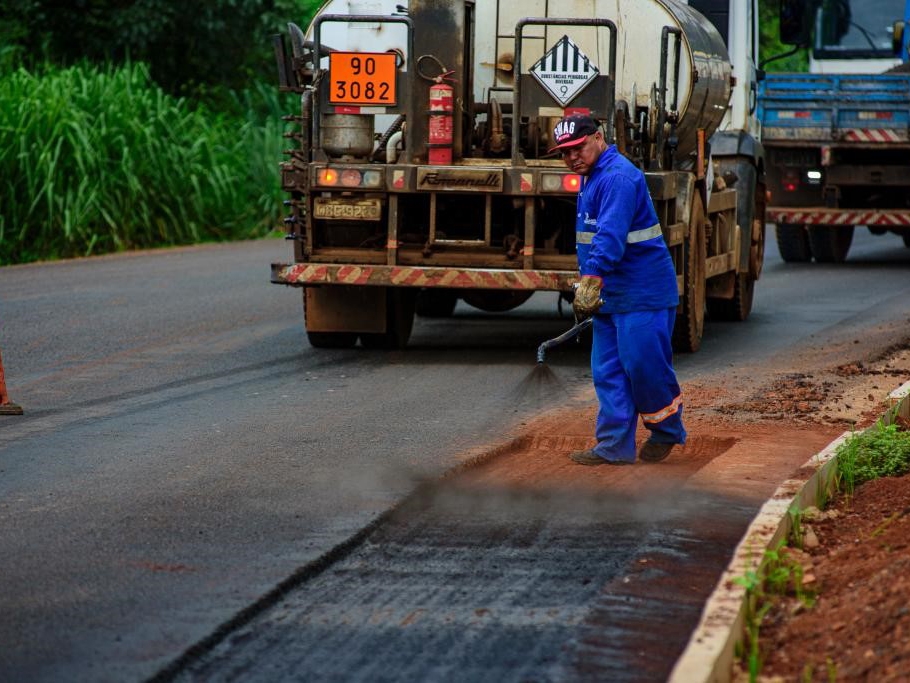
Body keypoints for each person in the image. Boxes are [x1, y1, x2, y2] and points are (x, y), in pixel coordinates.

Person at [551, 113, 685, 465]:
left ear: (598, 137)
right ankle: (613, 446)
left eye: (577, 148)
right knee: (607, 370)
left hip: (643, 291)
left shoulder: (618, 177)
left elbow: (609, 235)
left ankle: (666, 429)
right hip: (612, 293)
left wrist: (591, 278)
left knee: (643, 365)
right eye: (565, 153)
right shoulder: (592, 176)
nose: (571, 157)